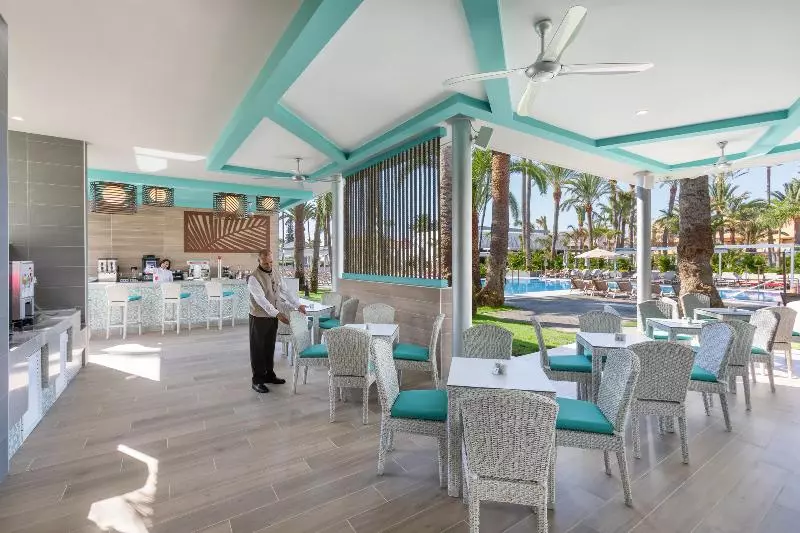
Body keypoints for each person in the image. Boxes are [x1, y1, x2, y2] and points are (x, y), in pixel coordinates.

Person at [248, 249, 306, 393]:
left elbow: (286, 291)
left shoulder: (276, 272)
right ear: (259, 261)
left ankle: (269, 375)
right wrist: (278, 314)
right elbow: (261, 301)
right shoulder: (254, 278)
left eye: (271, 262)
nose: (269, 265)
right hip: (259, 317)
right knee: (258, 349)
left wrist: (298, 305)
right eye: (265, 263)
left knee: (269, 346)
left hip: (273, 316)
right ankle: (257, 381)